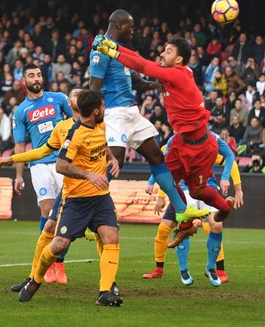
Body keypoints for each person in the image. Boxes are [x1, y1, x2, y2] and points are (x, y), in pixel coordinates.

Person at [94, 35, 234, 245]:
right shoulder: (176, 73)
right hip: (181, 142)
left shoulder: (178, 75)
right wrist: (114, 46)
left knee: (197, 190)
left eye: (168, 51)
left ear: (178, 60)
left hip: (201, 146)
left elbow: (144, 65)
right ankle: (185, 225)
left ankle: (223, 207)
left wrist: (113, 52)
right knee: (164, 178)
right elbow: (142, 60)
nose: (162, 53)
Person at [89, 10, 209, 232]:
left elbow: (136, 81)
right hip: (114, 112)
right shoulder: (101, 50)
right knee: (116, 161)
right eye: (130, 27)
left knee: (156, 156)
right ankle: (86, 205)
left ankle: (182, 210)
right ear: (118, 25)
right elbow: (93, 88)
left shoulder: (118, 50)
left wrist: (154, 85)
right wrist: (93, 119)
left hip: (131, 113)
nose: (133, 31)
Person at [0, 87, 119, 293]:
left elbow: (102, 145)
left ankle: (109, 283)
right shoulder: (64, 128)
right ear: (70, 103)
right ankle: (33, 277)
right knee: (49, 227)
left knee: (105, 233)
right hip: (71, 187)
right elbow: (43, 151)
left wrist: (112, 158)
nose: (78, 95)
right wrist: (12, 159)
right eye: (74, 94)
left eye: (81, 93)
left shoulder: (98, 124)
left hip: (92, 190)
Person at [143, 134, 243, 286]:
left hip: (206, 187)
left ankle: (213, 268)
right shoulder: (174, 140)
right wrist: (153, 185)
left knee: (216, 226)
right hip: (184, 189)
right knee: (179, 225)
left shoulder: (211, 139)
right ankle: (178, 269)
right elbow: (161, 165)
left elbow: (230, 155)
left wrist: (227, 179)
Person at [12, 64, 73, 281]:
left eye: (38, 74)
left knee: (65, 213)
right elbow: (20, 146)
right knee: (47, 211)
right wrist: (19, 175)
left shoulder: (58, 98)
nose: (36, 78)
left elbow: (77, 122)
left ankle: (60, 263)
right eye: (31, 75)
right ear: (24, 81)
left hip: (63, 162)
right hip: (38, 164)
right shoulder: (20, 111)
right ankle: (46, 264)